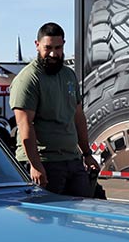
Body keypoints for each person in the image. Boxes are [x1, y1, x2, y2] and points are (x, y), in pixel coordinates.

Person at [9, 22, 95, 196]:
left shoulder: (68, 75)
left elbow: (78, 117)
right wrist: (35, 165)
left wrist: (87, 154)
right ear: (37, 45)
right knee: (46, 220)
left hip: (72, 160)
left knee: (81, 216)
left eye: (58, 47)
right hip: (45, 163)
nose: (54, 53)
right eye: (48, 47)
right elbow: (25, 125)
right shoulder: (28, 79)